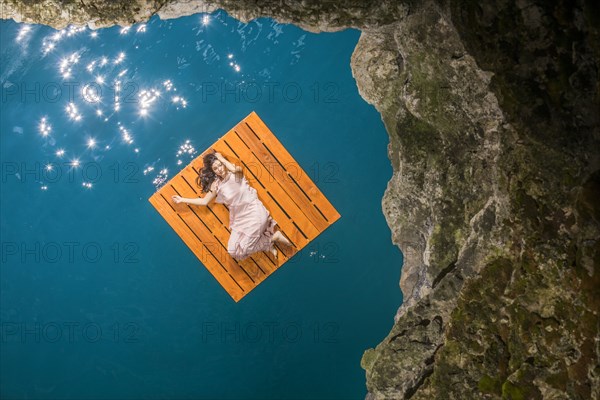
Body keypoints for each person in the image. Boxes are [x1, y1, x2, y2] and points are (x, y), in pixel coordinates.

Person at [172, 150, 293, 261]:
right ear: (213, 171)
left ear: (224, 163)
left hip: (254, 213)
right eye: (215, 168)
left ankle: (273, 238)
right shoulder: (217, 185)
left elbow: (237, 170)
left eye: (220, 165)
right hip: (239, 220)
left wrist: (222, 159)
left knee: (245, 247)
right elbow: (204, 202)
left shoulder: (236, 175)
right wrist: (182, 200)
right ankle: (268, 243)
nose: (219, 169)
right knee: (233, 251)